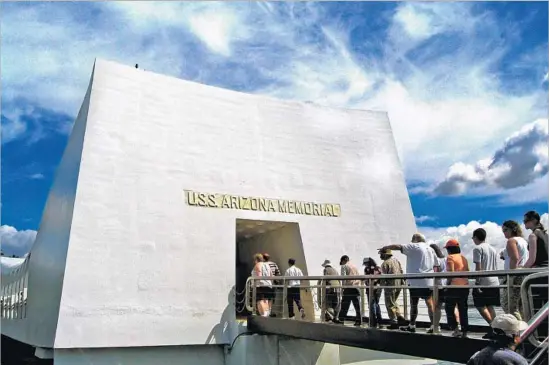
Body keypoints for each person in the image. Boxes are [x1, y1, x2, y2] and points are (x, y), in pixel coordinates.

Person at [380, 233, 436, 333]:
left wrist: (386, 247)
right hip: (428, 281)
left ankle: (412, 325)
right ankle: (434, 325)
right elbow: (437, 265)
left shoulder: (415, 246)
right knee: (429, 303)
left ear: (415, 239)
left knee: (414, 304)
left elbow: (398, 246)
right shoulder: (430, 249)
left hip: (415, 281)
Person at [522, 210, 548, 339]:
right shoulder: (545, 234)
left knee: (537, 307)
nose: (524, 223)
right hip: (547, 273)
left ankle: (539, 337)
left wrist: (520, 270)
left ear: (532, 221)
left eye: (525, 221)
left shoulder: (533, 235)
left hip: (538, 275)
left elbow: (532, 259)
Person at [471, 228, 501, 339]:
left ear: (475, 237)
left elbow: (478, 268)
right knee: (489, 305)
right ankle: (496, 329)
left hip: (484, 282)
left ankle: (493, 327)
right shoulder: (492, 249)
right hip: (494, 281)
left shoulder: (477, 249)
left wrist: (477, 283)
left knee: (479, 305)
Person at [500, 221, 529, 321]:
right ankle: (527, 329)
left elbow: (515, 258)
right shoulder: (523, 241)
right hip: (523, 274)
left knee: (508, 305)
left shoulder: (511, 241)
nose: (504, 233)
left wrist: (511, 276)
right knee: (520, 305)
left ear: (513, 229)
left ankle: (519, 332)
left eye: (506, 230)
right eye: (503, 231)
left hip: (514, 275)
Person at [430, 243, 459, 334]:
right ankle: (457, 327)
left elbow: (436, 272)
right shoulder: (446, 258)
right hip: (447, 285)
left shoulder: (435, 259)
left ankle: (436, 327)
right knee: (452, 307)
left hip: (439, 286)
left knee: (437, 307)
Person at [444, 239, 470, 338]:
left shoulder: (450, 257)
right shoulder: (464, 258)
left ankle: (455, 330)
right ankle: (465, 332)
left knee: (449, 309)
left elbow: (451, 274)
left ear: (449, 249)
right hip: (465, 287)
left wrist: (447, 285)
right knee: (463, 309)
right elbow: (467, 271)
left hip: (454, 287)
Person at [379, 248, 406, 329]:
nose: (380, 255)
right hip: (398, 285)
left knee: (389, 303)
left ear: (385, 254)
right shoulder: (396, 261)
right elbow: (401, 271)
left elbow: (383, 278)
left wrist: (379, 289)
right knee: (393, 302)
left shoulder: (385, 263)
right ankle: (399, 316)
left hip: (390, 286)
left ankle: (394, 322)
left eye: (381, 254)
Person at [338, 255, 362, 326]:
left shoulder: (344, 266)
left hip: (348, 288)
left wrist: (342, 288)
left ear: (343, 260)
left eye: (341, 262)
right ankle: (359, 321)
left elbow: (343, 278)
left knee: (344, 305)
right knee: (357, 306)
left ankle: (341, 319)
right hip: (357, 288)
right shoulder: (354, 266)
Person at [363, 257, 383, 328]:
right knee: (375, 304)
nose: (365, 265)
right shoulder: (377, 268)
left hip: (373, 289)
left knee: (373, 305)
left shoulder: (371, 269)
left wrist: (369, 284)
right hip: (375, 289)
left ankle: (373, 321)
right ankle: (379, 322)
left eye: (365, 263)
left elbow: (369, 280)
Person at [262, 253, 281, 317]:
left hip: (264, 284)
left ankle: (265, 312)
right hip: (272, 284)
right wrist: (276, 282)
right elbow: (278, 273)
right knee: (271, 298)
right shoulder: (274, 264)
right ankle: (269, 312)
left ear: (263, 258)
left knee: (264, 298)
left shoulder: (262, 264)